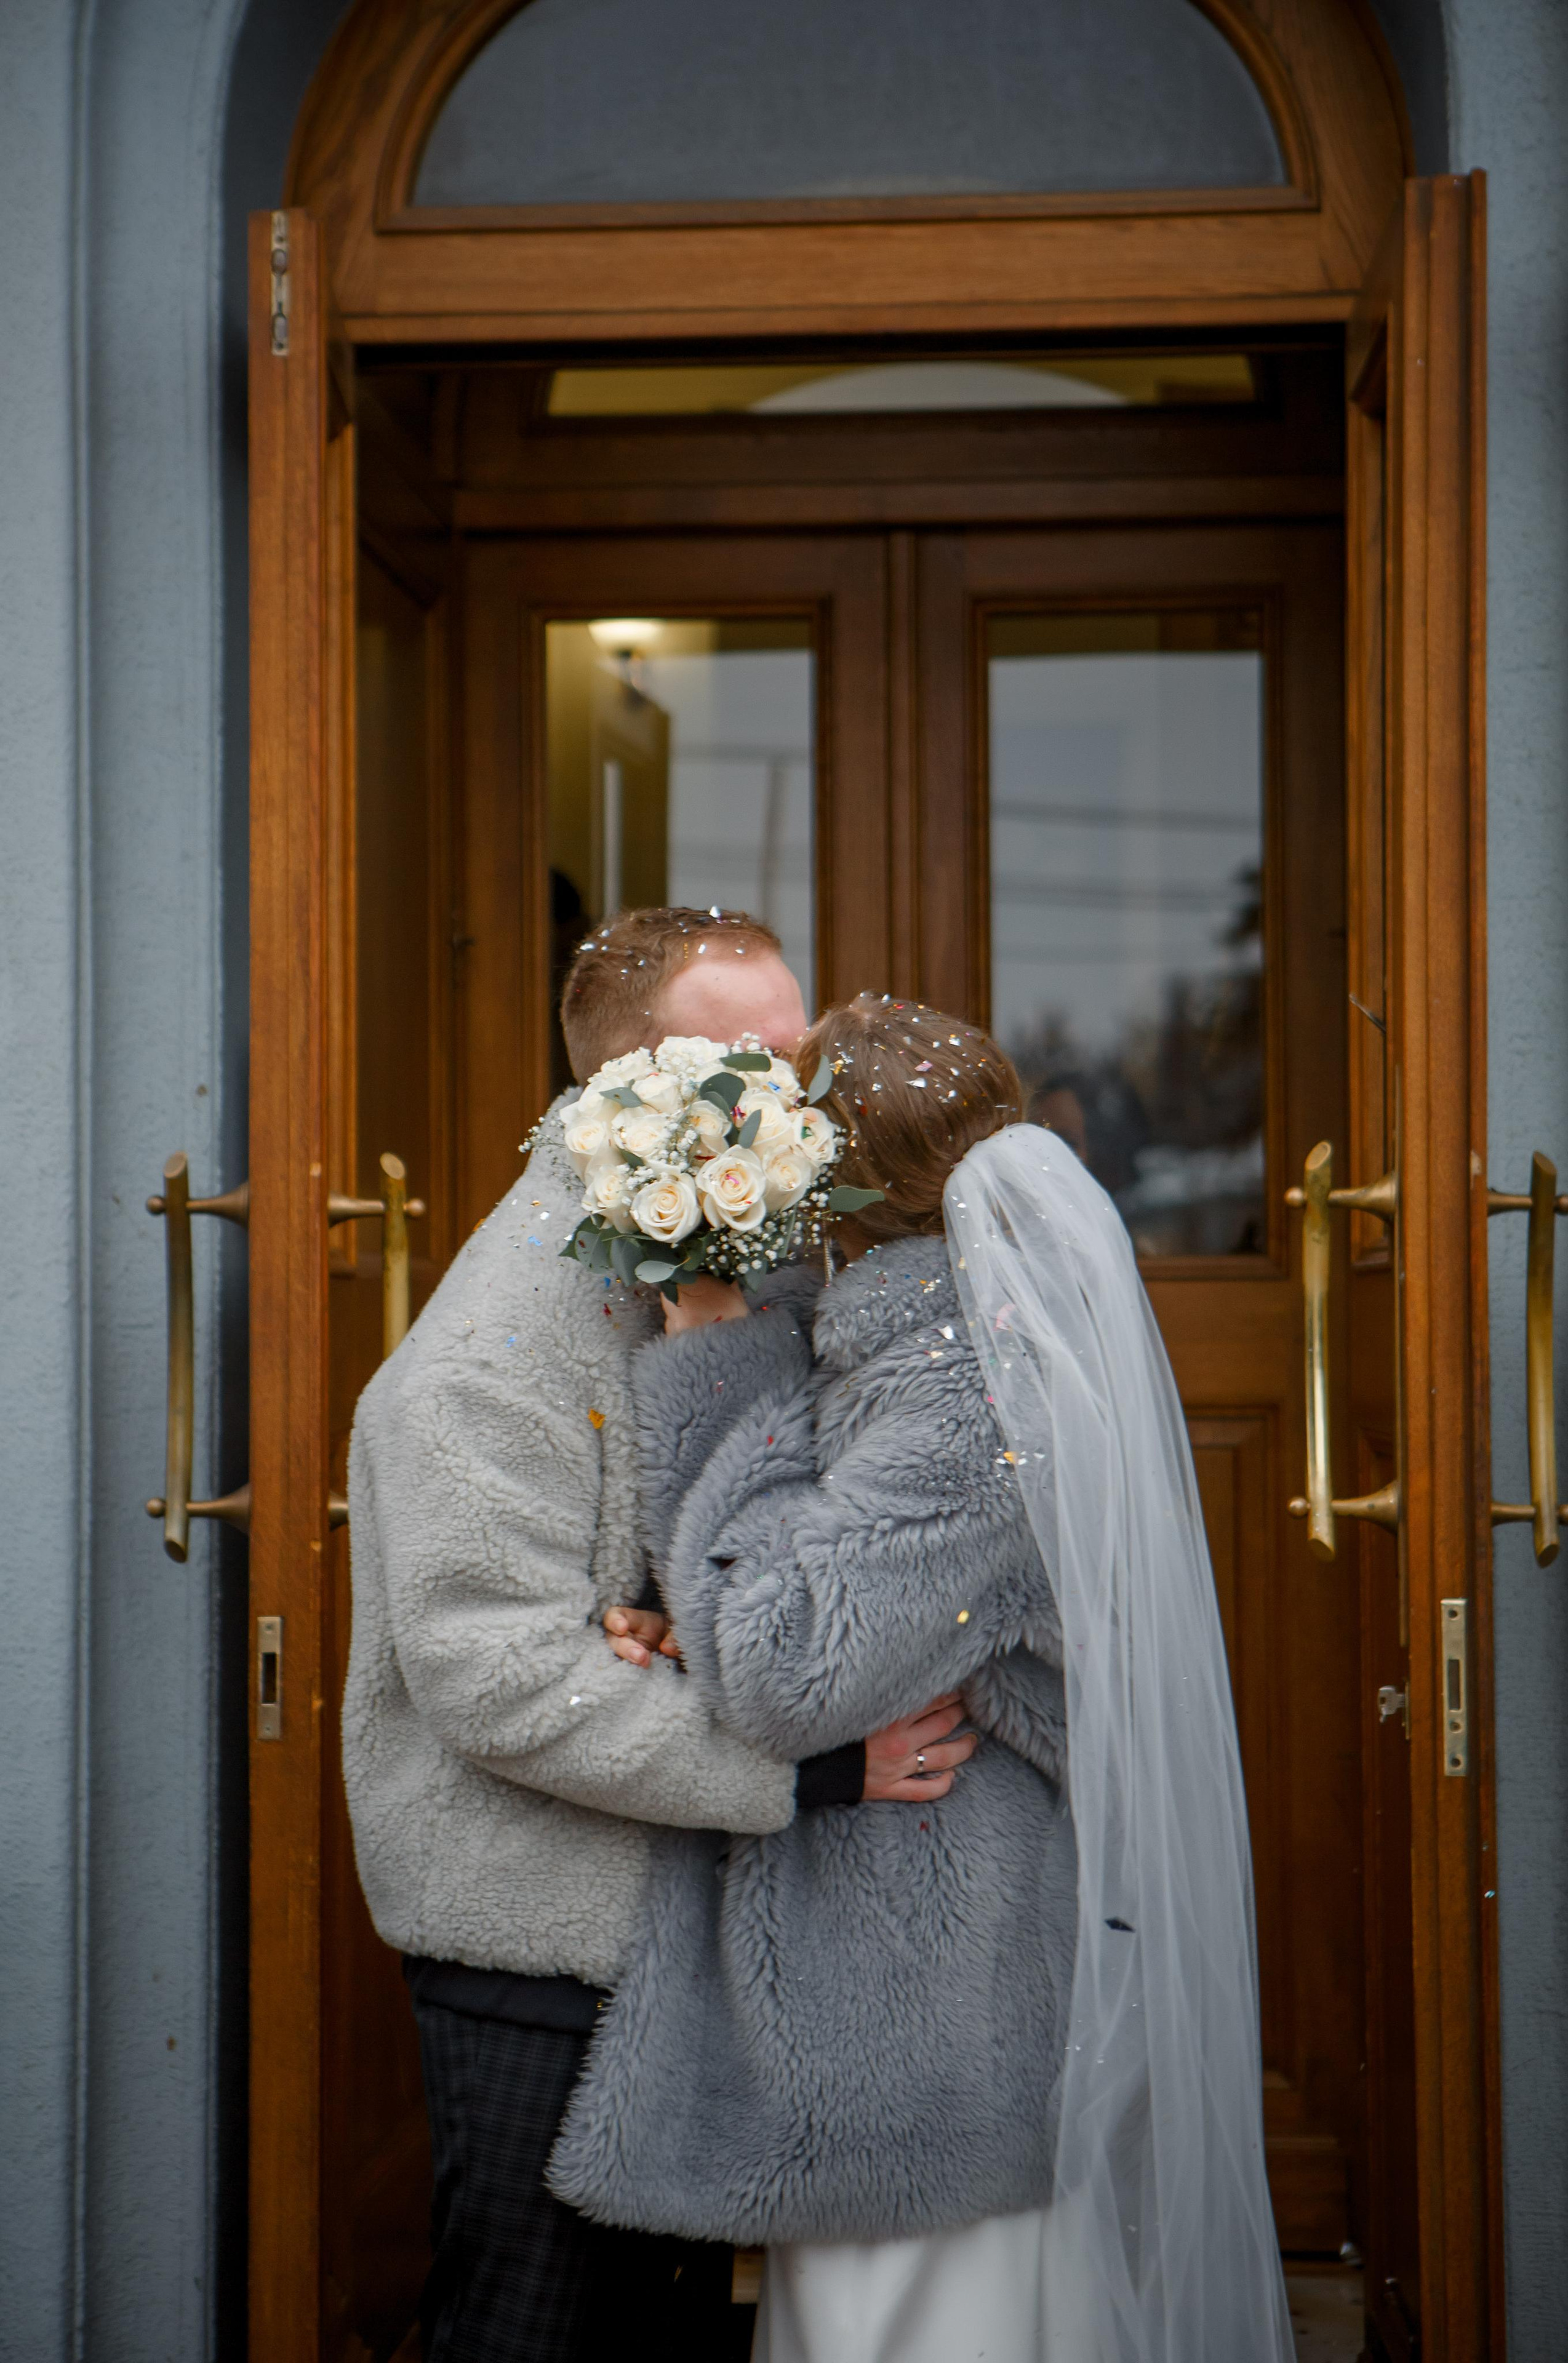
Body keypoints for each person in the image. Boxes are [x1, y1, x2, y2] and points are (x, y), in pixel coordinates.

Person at [551, 992, 1294, 2363]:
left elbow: (787, 1666)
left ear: (827, 1192)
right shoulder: (905, 1346)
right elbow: (821, 1594)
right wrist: (697, 1608)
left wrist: (713, 1352)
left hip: (932, 1994)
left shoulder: (967, 1396)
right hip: (901, 1983)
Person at [343, 916, 968, 2363]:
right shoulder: (485, 1357)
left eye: (801, 1060)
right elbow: (498, 1678)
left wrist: (695, 1626)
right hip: (533, 1953)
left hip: (681, 1930)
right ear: (625, 1094)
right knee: (537, 2335)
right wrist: (809, 1770)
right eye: (752, 1065)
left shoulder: (730, 1270)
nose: (800, 1102)